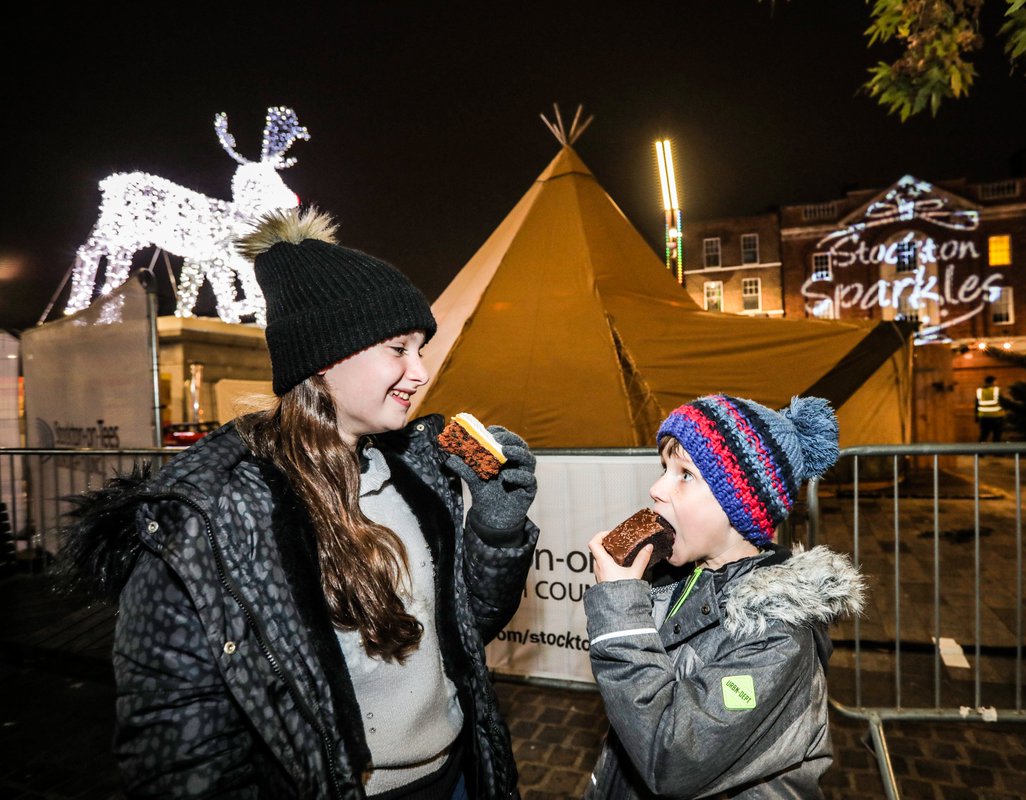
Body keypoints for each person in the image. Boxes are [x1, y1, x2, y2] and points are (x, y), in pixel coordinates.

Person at [58, 208, 538, 799]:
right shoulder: (206, 518)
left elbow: (465, 633)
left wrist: (496, 531)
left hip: (461, 775)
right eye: (399, 349)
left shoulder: (420, 469)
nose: (421, 371)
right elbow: (180, 751)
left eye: (422, 349)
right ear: (325, 354)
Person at [583, 394, 865, 799]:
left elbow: (672, 757)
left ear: (740, 509)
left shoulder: (777, 640)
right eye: (664, 467)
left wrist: (619, 614)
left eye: (685, 474)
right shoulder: (673, 579)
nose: (656, 488)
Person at [975, 374, 1005, 443]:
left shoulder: (979, 391)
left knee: (983, 435)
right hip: (997, 416)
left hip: (983, 417)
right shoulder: (997, 390)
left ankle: (980, 452)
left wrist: (976, 416)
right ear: (993, 382)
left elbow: (977, 404)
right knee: (997, 435)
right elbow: (1002, 402)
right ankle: (997, 452)